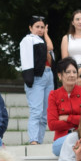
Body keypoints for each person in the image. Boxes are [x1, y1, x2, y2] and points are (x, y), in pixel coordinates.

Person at [19, 15, 55, 146]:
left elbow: (51, 58)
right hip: (37, 77)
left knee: (45, 113)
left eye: (42, 27)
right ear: (30, 28)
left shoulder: (43, 41)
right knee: (36, 111)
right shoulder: (28, 40)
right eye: (37, 27)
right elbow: (27, 60)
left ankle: (39, 140)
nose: (40, 30)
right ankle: (33, 140)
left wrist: (45, 36)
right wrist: (29, 78)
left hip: (48, 75)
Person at [47, 58, 81, 155]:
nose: (72, 75)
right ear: (60, 75)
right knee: (57, 148)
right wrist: (78, 121)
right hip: (62, 139)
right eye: (68, 72)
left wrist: (67, 118)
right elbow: (52, 124)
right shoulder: (53, 95)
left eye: (74, 72)